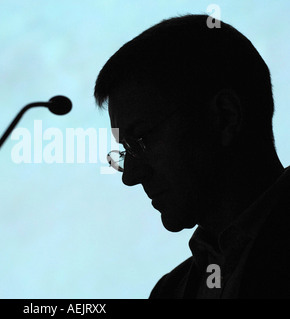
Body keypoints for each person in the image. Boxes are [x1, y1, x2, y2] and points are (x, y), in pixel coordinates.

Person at [94, 14, 290, 298]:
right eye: (126, 150)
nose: (131, 176)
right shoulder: (168, 292)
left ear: (225, 116)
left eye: (140, 140)